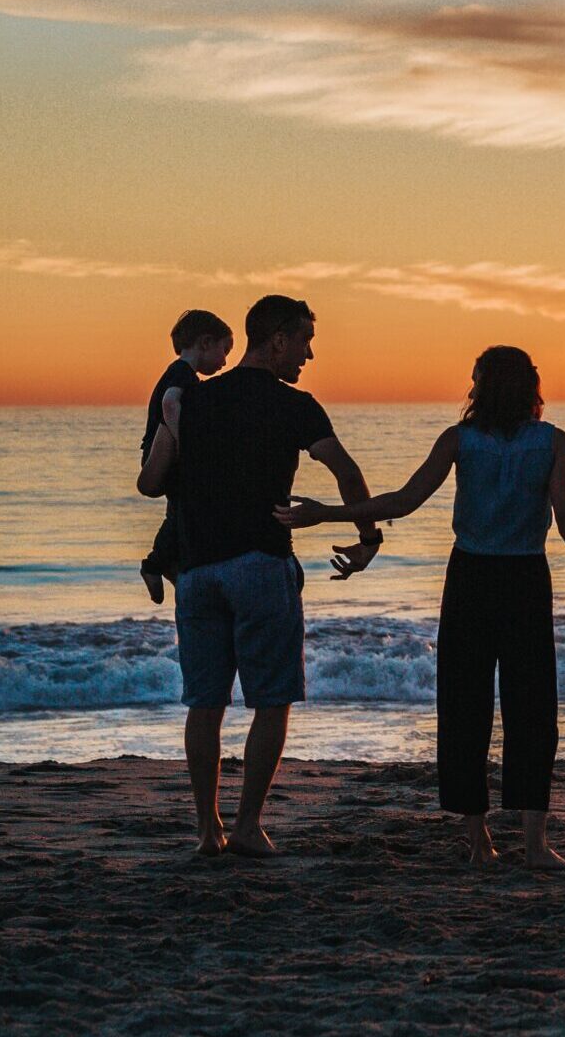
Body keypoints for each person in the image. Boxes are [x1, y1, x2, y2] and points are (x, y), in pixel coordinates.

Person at [276, 346, 565, 869]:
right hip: (523, 578)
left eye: (475, 379)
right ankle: (533, 844)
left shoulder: (462, 439)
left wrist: (330, 514)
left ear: (486, 385)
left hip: (473, 578)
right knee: (532, 709)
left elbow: (404, 501)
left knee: (464, 706)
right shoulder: (550, 440)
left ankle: (481, 843)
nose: (470, 387)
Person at [136, 294, 382, 858]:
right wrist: (368, 538)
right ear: (277, 341)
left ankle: (208, 831)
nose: (308, 355)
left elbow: (154, 479)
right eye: (304, 342)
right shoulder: (295, 405)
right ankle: (247, 826)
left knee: (205, 704)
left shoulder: (193, 398)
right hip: (260, 566)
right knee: (271, 701)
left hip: (197, 571)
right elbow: (346, 471)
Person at [140, 309, 234, 604]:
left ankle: (167, 563)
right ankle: (154, 564)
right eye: (224, 350)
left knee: (179, 510)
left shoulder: (180, 373)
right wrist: (189, 443)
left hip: (166, 453)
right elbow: (170, 404)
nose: (225, 361)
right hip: (164, 454)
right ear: (205, 343)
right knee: (182, 510)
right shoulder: (182, 373)